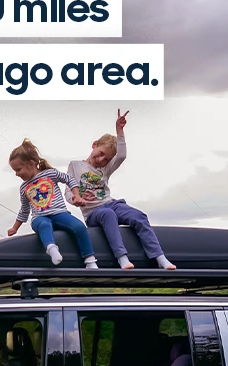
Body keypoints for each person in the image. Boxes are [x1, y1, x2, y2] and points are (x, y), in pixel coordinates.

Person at [67, 110, 176, 270]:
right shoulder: (75, 166)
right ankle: (122, 257)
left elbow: (122, 155)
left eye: (107, 159)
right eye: (101, 153)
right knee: (108, 214)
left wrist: (120, 131)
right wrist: (74, 199)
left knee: (139, 216)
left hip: (112, 204)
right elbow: (68, 191)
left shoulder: (106, 168)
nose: (101, 160)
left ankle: (160, 257)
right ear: (94, 144)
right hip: (93, 213)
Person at [8, 138, 98, 268]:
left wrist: (76, 195)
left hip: (59, 213)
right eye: (14, 171)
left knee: (79, 227)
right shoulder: (24, 188)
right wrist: (15, 228)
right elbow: (24, 210)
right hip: (39, 217)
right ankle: (51, 249)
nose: (17, 174)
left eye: (18, 169)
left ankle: (90, 260)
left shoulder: (50, 174)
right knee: (44, 225)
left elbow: (69, 179)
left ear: (31, 163)